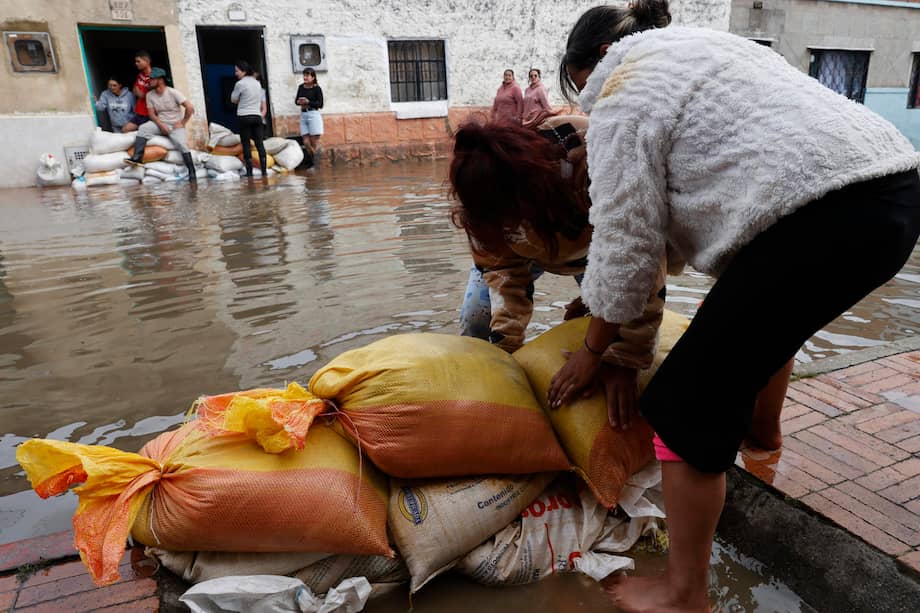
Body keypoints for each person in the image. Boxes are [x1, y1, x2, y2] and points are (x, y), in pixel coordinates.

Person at [547, 2, 920, 611]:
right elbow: (664, 235)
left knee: (685, 404)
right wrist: (614, 329)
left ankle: (682, 592)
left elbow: (627, 240)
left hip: (825, 214)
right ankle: (762, 439)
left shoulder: (622, 90)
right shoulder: (707, 50)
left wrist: (596, 348)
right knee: (761, 325)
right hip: (895, 191)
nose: (585, 105)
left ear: (587, 65)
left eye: (579, 88)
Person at [453, 114, 666, 425]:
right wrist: (505, 354)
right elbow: (503, 274)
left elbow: (642, 257)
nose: (508, 228)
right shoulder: (480, 208)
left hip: (597, 247)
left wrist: (623, 357)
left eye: (513, 219)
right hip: (539, 251)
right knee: (476, 318)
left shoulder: (593, 160)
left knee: (616, 319)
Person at [127, 67, 197, 182]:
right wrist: (161, 125)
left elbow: (190, 107)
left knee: (182, 144)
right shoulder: (150, 95)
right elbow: (152, 115)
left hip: (175, 125)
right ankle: (137, 157)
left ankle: (191, 171)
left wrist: (183, 122)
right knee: (144, 127)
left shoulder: (173, 92)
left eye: (152, 79)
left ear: (160, 80)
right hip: (159, 123)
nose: (149, 81)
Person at [231, 60, 268, 178]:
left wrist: (241, 100)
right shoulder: (257, 83)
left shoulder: (240, 84)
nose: (235, 73)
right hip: (257, 116)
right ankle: (264, 171)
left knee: (246, 144)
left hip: (244, 116)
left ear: (244, 71)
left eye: (237, 71)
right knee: (259, 143)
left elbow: (233, 100)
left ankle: (250, 172)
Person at [296, 68, 324, 160]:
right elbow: (296, 101)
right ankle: (315, 161)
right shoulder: (301, 87)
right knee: (306, 142)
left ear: (313, 77)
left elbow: (320, 104)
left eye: (307, 75)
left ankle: (315, 163)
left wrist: (308, 102)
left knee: (314, 142)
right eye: (304, 75)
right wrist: (299, 102)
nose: (305, 77)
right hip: (303, 115)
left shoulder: (317, 88)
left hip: (313, 114)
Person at [122, 50, 153, 133]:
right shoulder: (140, 75)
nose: (136, 63)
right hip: (139, 112)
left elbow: (144, 95)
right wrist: (140, 92)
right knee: (125, 129)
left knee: (145, 134)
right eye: (136, 61)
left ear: (147, 61)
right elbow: (134, 90)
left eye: (138, 61)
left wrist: (140, 92)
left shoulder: (154, 77)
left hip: (149, 113)